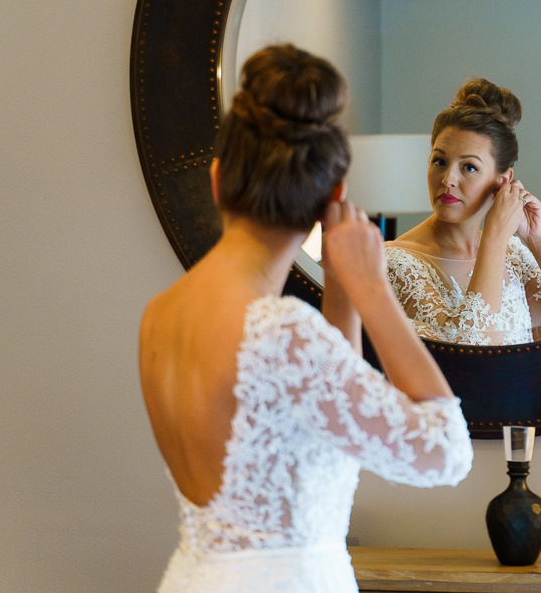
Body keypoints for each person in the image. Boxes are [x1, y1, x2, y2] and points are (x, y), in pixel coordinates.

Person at [139, 44, 472, 592]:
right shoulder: (280, 333)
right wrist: (374, 292)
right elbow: (445, 452)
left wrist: (342, 283)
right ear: (334, 196)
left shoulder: (160, 316)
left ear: (219, 179)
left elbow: (324, 422)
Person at [385, 79, 541, 346]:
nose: (447, 179)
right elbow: (470, 357)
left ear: (503, 180)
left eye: (469, 167)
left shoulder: (516, 255)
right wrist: (494, 239)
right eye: (439, 161)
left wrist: (539, 239)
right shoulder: (397, 262)